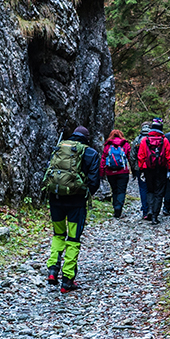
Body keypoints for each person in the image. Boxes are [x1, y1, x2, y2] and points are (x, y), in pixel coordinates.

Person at [41, 125, 100, 293]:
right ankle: (67, 280)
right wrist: (85, 194)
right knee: (73, 239)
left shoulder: (59, 148)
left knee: (58, 234)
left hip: (55, 199)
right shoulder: (90, 153)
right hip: (76, 202)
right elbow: (94, 181)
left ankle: (52, 270)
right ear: (86, 139)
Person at [136, 119, 170, 225]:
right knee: (159, 192)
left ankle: (150, 210)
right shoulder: (164, 140)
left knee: (150, 190)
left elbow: (141, 156)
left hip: (148, 169)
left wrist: (142, 169)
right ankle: (155, 216)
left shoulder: (145, 140)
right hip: (161, 169)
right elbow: (169, 156)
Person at [100, 129, 133, 218]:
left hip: (110, 172)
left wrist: (101, 174)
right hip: (123, 172)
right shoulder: (125, 144)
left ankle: (115, 208)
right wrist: (133, 171)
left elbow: (103, 159)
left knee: (114, 190)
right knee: (121, 190)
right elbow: (130, 157)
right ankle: (119, 207)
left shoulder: (107, 145)